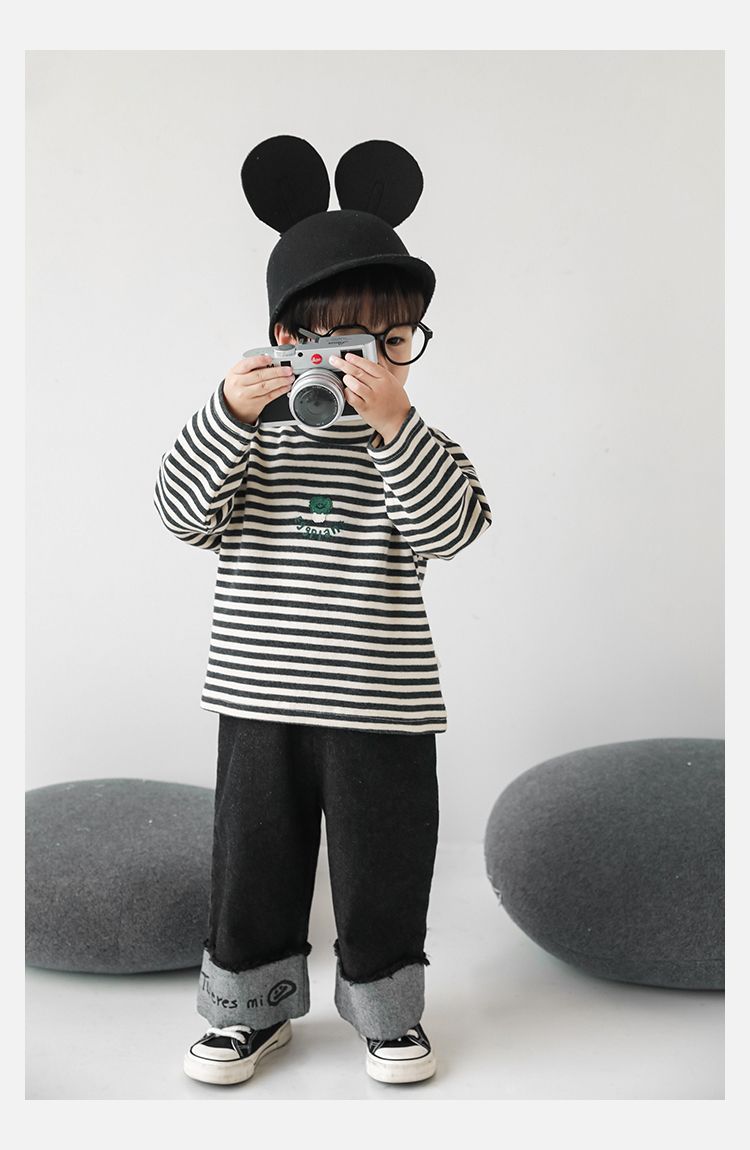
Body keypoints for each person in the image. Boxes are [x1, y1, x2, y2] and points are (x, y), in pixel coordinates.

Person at [153, 137, 492, 1087]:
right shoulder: (252, 443)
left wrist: (395, 426)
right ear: (286, 339)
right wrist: (228, 412)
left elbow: (451, 531)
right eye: (342, 344)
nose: (367, 366)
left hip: (384, 703)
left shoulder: (413, 446)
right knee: (253, 862)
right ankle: (247, 1012)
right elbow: (182, 516)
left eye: (391, 343)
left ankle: (388, 1012)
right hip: (260, 695)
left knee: (385, 867)